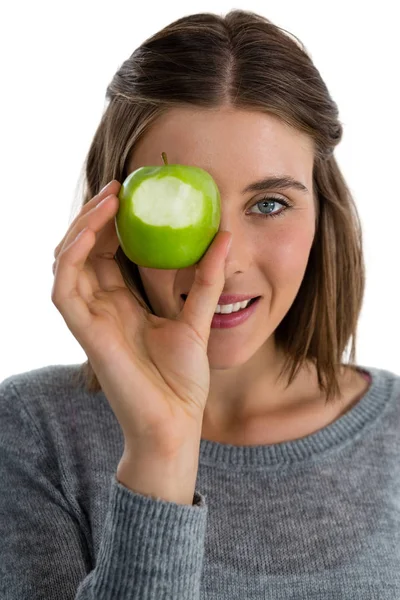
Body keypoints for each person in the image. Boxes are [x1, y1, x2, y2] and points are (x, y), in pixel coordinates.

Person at [1, 8, 399, 599]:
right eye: (177, 205)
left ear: (322, 212)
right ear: (109, 220)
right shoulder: (31, 434)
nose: (224, 263)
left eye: (268, 204)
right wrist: (161, 450)